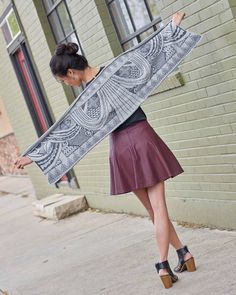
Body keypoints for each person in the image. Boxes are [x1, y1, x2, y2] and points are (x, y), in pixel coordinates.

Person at [15, 12, 196, 289]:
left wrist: (34, 155)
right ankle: (165, 263)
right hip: (143, 138)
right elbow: (149, 56)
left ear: (72, 72)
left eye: (65, 81)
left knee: (153, 211)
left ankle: (182, 253)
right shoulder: (118, 68)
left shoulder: (87, 98)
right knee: (159, 209)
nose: (68, 84)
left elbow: (65, 132)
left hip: (120, 149)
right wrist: (172, 27)